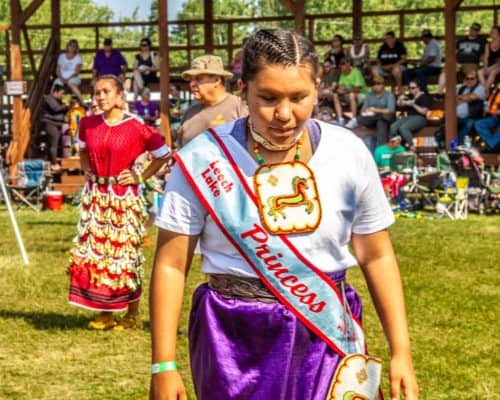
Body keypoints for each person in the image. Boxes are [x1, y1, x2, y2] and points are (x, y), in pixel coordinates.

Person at [150, 28, 418, 400]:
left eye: (299, 97)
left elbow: (377, 254)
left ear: (318, 86)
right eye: (268, 98)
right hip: (234, 341)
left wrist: (400, 351)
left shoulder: (348, 152)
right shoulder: (202, 159)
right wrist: (163, 364)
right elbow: (170, 264)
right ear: (242, 89)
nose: (284, 115)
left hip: (327, 336)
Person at [68, 74, 170, 331]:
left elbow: (163, 154)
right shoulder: (88, 124)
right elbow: (81, 149)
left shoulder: (136, 126)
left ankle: (132, 314)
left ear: (119, 96)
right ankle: (105, 313)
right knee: (98, 255)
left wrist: (140, 176)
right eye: (97, 92)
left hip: (123, 199)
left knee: (123, 256)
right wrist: (86, 169)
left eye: (106, 92)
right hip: (96, 198)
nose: (100, 97)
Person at [178, 54, 248, 147]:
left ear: (216, 80)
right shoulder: (189, 114)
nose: (192, 84)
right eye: (191, 80)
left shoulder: (240, 108)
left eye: (198, 79)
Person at [438, 22, 486, 93]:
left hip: (471, 63)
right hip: (458, 62)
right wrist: (452, 61)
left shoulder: (482, 41)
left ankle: (460, 94)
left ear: (478, 32)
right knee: (445, 71)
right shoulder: (461, 41)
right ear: (469, 29)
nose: (473, 30)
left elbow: (487, 53)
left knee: (470, 76)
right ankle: (440, 92)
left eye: (475, 30)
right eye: (472, 28)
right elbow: (454, 53)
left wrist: (485, 64)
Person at [354, 75, 396, 148]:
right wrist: (367, 112)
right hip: (372, 118)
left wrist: (375, 110)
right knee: (360, 118)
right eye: (374, 84)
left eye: (378, 84)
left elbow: (391, 110)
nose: (375, 86)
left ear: (383, 85)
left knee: (381, 121)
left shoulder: (389, 95)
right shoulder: (369, 95)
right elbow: (362, 111)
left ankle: (380, 149)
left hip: (387, 119)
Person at [390, 79, 432, 150]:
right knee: (393, 127)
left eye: (413, 88)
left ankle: (412, 147)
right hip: (409, 117)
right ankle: (400, 147)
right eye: (409, 88)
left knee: (403, 128)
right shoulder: (410, 96)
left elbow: (424, 112)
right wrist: (400, 99)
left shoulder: (424, 96)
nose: (410, 89)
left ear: (418, 88)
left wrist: (413, 105)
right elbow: (399, 104)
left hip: (420, 118)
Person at [332, 59, 368, 127]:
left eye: (343, 66)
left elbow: (357, 89)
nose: (341, 68)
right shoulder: (342, 74)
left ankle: (353, 120)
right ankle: (340, 119)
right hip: (349, 94)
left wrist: (345, 91)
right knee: (335, 95)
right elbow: (341, 86)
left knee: (351, 95)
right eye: (341, 66)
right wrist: (339, 90)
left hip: (362, 95)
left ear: (348, 65)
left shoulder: (356, 72)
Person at [40, 84, 68, 171]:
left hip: (57, 124)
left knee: (54, 144)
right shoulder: (48, 98)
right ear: (55, 92)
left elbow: (61, 110)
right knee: (53, 144)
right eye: (61, 93)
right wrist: (66, 106)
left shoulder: (58, 100)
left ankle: (52, 162)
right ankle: (54, 164)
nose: (62, 96)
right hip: (50, 123)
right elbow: (56, 109)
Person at [456, 69, 487, 145]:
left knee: (469, 123)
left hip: (473, 117)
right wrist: (465, 98)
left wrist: (460, 98)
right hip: (457, 117)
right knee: (448, 123)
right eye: (467, 78)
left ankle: (458, 144)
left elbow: (472, 97)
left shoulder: (480, 88)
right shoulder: (459, 89)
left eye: (472, 78)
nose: (469, 80)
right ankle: (445, 143)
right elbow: (453, 100)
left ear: (476, 79)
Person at [478, 26, 500, 95]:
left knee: (493, 72)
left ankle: (484, 93)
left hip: (498, 65)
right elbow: (486, 57)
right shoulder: (488, 45)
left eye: (493, 32)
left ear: (498, 34)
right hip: (491, 65)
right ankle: (486, 91)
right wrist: (485, 68)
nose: (491, 33)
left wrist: (490, 68)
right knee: (479, 72)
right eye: (491, 32)